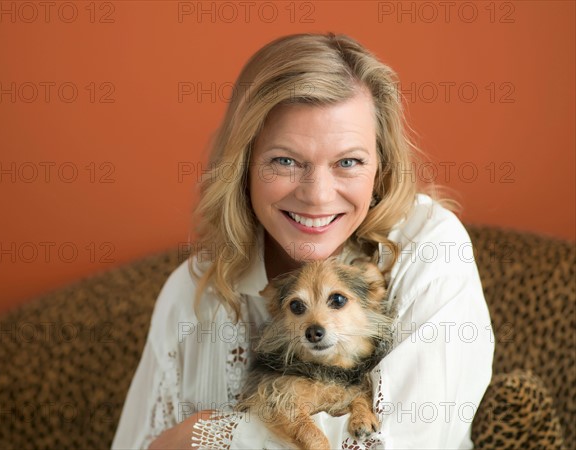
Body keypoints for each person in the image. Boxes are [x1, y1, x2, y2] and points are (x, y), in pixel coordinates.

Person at [111, 33, 494, 449]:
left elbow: (406, 441)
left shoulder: (432, 245)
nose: (317, 195)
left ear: (380, 168)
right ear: (243, 167)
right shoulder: (194, 290)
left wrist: (203, 436)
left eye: (348, 161)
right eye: (285, 160)